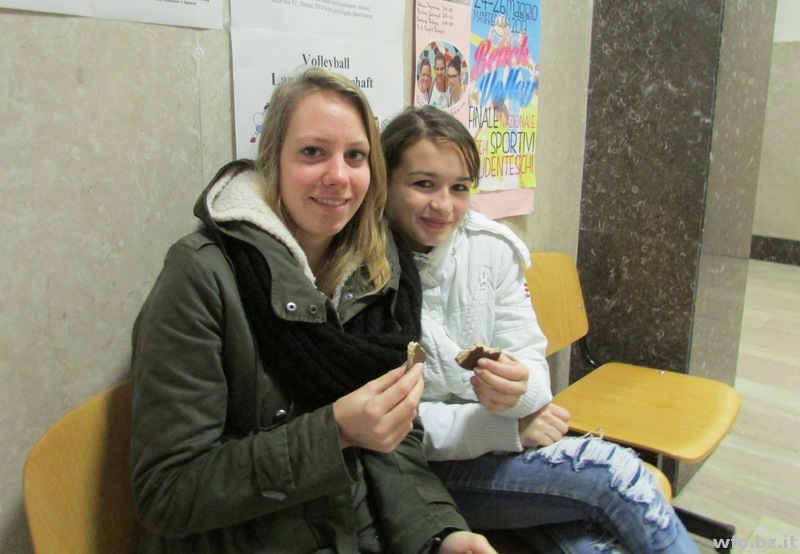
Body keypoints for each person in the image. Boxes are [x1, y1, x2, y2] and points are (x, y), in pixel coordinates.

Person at [129, 69, 497, 554]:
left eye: (355, 156)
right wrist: (335, 431)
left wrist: (440, 534)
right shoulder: (201, 277)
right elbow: (167, 493)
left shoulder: (378, 267)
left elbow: (394, 441)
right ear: (273, 159)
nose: (338, 176)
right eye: (312, 152)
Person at [382, 105, 699, 553]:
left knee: (593, 546)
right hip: (419, 474)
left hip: (503, 450)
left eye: (460, 188)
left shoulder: (491, 248)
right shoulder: (365, 269)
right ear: (385, 182)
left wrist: (519, 389)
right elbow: (390, 425)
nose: (444, 206)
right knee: (616, 473)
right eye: (423, 184)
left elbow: (532, 363)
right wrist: (503, 428)